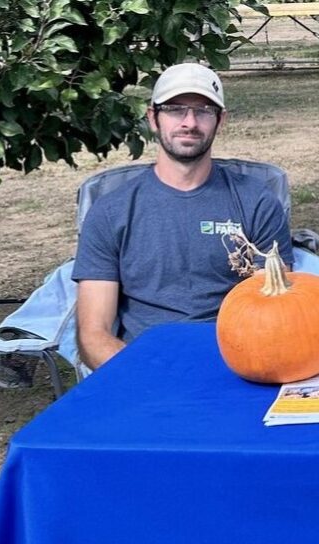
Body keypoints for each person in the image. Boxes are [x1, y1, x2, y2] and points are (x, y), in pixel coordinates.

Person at [73, 63, 293, 369]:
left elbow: (276, 308)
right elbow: (93, 335)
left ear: (220, 120)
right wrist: (144, 376)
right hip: (142, 367)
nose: (190, 122)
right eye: (176, 109)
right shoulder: (111, 211)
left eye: (203, 110)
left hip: (239, 364)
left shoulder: (256, 202)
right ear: (153, 117)